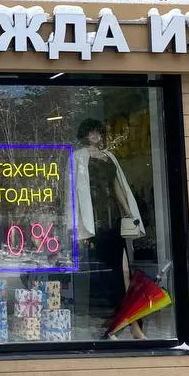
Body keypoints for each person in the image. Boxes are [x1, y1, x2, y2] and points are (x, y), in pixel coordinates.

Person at [73, 118, 146, 339]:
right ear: (84, 135)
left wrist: (129, 213)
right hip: (95, 223)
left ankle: (128, 325)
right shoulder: (78, 157)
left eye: (98, 132)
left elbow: (117, 186)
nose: (96, 136)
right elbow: (75, 193)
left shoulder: (109, 157)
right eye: (91, 132)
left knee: (124, 273)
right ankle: (124, 326)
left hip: (113, 220)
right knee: (113, 276)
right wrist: (78, 228)